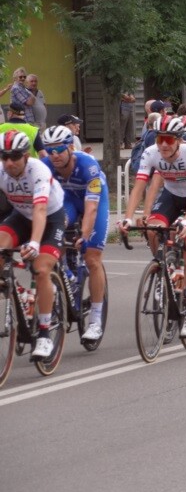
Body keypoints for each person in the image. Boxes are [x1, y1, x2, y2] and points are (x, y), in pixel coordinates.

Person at [119, 116, 186, 337]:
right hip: (171, 196)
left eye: (168, 139)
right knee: (152, 229)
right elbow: (139, 187)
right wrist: (129, 217)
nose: (164, 144)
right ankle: (162, 268)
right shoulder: (151, 153)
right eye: (159, 139)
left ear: (178, 140)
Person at [0, 130, 67, 360]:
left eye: (15, 157)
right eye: (4, 157)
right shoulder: (1, 171)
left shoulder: (38, 170)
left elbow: (39, 210)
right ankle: (17, 293)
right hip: (21, 216)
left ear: (26, 156)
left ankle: (45, 334)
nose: (9, 162)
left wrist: (36, 242)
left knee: (40, 269)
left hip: (50, 218)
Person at [40, 126, 109, 341]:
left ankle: (96, 320)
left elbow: (91, 208)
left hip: (93, 202)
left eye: (59, 149)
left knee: (92, 258)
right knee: (53, 235)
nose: (54, 155)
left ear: (71, 147)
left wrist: (85, 235)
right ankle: (67, 277)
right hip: (67, 201)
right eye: (49, 150)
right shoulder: (46, 166)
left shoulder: (88, 165)